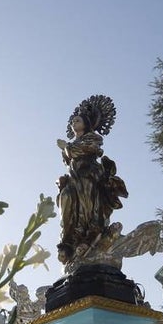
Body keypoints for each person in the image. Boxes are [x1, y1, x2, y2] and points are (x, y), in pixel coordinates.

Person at [55, 95, 127, 267]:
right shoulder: (72, 143)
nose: (74, 123)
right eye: (73, 121)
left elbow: (84, 149)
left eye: (78, 120)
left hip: (88, 177)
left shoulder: (93, 138)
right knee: (66, 200)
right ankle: (68, 239)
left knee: (87, 208)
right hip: (73, 179)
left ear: (86, 123)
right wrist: (67, 150)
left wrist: (67, 148)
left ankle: (88, 236)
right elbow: (68, 158)